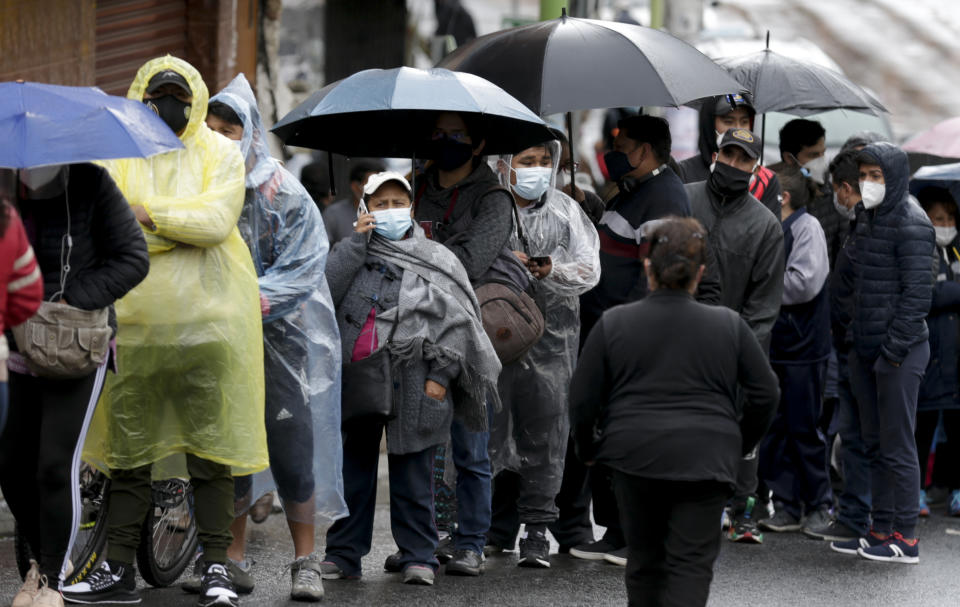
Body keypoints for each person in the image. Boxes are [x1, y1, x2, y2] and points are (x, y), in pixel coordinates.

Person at [63, 56, 268, 607]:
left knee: (211, 452)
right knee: (130, 455)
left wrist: (147, 215)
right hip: (134, 327)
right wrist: (175, 226)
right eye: (160, 95)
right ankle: (119, 568)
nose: (170, 105)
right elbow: (111, 226)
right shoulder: (119, 151)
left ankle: (217, 566)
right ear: (141, 96)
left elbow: (216, 222)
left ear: (196, 98)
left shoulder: (221, 152)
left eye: (180, 94)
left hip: (207, 329)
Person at [569, 216, 779, 607]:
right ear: (700, 273)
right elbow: (766, 393)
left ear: (648, 267)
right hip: (707, 459)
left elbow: (583, 398)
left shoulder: (615, 323)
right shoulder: (730, 325)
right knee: (691, 566)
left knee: (644, 562)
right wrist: (739, 441)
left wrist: (589, 448)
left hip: (635, 457)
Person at [202, 73, 347, 601]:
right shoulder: (196, 186)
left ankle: (305, 561)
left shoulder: (279, 191)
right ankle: (231, 559)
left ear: (252, 132)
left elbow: (306, 265)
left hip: (279, 342)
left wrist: (243, 298)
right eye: (210, 127)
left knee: (291, 447)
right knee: (229, 448)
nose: (219, 136)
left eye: (230, 128)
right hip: (217, 338)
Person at [319, 171, 500, 586]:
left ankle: (419, 555)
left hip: (418, 379)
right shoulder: (352, 251)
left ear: (411, 208)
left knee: (414, 473)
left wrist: (441, 374)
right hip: (360, 376)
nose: (390, 211)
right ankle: (343, 554)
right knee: (355, 471)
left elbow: (460, 323)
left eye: (397, 202)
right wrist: (355, 244)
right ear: (365, 210)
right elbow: (325, 292)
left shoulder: (437, 257)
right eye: (380, 204)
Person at [562, 114, 718, 565]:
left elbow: (653, 272)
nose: (615, 152)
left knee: (627, 436)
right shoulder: (633, 190)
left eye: (623, 144)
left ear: (646, 150)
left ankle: (635, 535)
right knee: (604, 432)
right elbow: (614, 240)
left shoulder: (665, 197)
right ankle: (613, 530)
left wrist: (629, 327)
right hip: (601, 327)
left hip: (627, 334)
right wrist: (589, 203)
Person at [1, 166, 127, 607]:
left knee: (54, 466)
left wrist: (74, 299)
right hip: (19, 344)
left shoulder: (90, 183)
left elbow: (132, 258)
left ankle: (53, 580)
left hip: (78, 347)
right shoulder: (5, 185)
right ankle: (45, 561)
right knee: (11, 467)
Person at [485, 141, 600, 568]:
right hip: (496, 342)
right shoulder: (491, 211)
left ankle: (536, 531)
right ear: (504, 166)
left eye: (544, 161)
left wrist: (550, 269)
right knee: (490, 432)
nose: (537, 170)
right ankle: (484, 530)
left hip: (553, 346)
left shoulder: (567, 211)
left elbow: (589, 269)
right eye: (526, 162)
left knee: (547, 436)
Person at [413, 111, 514, 576]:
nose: (446, 142)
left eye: (457, 136)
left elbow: (471, 260)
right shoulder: (413, 189)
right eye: (439, 134)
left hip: (466, 335)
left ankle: (472, 541)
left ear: (477, 145)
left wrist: (415, 252)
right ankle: (423, 540)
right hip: (414, 331)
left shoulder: (494, 197)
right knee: (418, 444)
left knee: (470, 446)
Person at [829, 141, 934, 564]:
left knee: (898, 445)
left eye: (877, 175)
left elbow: (916, 297)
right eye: (864, 175)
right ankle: (881, 527)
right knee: (875, 443)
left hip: (899, 353)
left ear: (894, 177)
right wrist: (856, 343)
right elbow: (855, 283)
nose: (868, 183)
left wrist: (891, 352)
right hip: (866, 350)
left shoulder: (913, 221)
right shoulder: (867, 218)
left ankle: (906, 536)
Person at [684, 127, 785, 544]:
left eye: (744, 159)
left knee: (742, 432)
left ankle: (743, 510)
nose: (733, 164)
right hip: (678, 339)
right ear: (715, 154)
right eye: (728, 154)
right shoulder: (683, 199)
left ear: (755, 168)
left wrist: (740, 353)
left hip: (734, 345)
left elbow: (764, 307)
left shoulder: (765, 227)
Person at [757, 166, 833, 533]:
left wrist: (761, 287)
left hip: (804, 345)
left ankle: (819, 503)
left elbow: (803, 284)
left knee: (805, 427)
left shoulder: (807, 228)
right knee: (775, 427)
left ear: (782, 198)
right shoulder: (776, 227)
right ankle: (785, 502)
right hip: (778, 343)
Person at [802, 147, 871, 543]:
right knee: (843, 430)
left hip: (859, 346)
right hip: (841, 343)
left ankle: (869, 517)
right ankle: (849, 513)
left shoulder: (875, 227)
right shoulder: (847, 224)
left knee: (861, 435)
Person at [913, 186, 960, 517]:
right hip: (928, 359)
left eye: (949, 218)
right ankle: (915, 491)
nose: (945, 224)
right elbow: (925, 296)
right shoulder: (919, 250)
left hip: (956, 363)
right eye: (937, 219)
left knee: (957, 434)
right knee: (921, 430)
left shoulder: (958, 251)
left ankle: (956, 489)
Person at [676, 93, 782, 218]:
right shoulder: (683, 171)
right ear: (709, 124)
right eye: (728, 121)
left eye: (744, 122)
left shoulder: (765, 181)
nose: (738, 129)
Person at [771, 119, 846, 268]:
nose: (821, 161)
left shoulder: (831, 192)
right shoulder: (772, 195)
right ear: (789, 158)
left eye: (822, 153)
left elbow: (840, 250)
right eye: (813, 155)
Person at [323, 160, 385, 245]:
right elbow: (325, 249)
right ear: (355, 187)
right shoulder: (333, 214)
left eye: (381, 185)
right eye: (372, 184)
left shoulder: (388, 213)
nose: (378, 190)